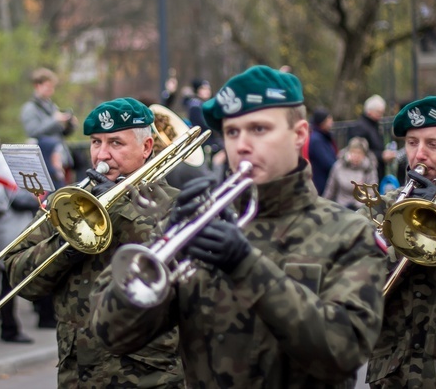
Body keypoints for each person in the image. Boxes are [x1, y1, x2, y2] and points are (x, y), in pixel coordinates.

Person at [90, 66, 387, 387]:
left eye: (258, 129)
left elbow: (345, 351)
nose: (242, 145)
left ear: (299, 134)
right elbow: (112, 334)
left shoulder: (348, 232)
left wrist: (247, 266)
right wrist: (163, 243)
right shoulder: (198, 224)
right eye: (232, 132)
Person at [5, 97, 184, 387]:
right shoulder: (72, 202)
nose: (102, 155)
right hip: (77, 376)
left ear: (146, 147)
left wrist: (118, 209)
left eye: (116, 143)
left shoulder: (175, 204)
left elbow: (179, 276)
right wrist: (71, 241)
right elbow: (20, 278)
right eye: (96, 143)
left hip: (149, 377)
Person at [360, 96, 436, 387]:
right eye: (412, 143)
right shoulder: (382, 206)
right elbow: (354, 280)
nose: (419, 154)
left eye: (434, 144)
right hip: (393, 377)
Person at [0, 145, 37, 344]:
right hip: (8, 237)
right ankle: (9, 328)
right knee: (9, 285)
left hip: (10, 234)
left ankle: (10, 326)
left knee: (9, 284)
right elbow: (19, 202)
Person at [20, 68, 77, 185]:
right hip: (44, 160)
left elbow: (61, 133)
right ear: (37, 86)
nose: (51, 90)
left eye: (52, 87)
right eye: (48, 86)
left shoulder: (51, 106)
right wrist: (54, 120)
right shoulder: (29, 108)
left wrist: (69, 124)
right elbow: (32, 132)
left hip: (60, 157)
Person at [348, 94, 396, 182]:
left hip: (376, 168)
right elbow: (359, 150)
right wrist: (381, 156)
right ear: (369, 111)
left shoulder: (375, 125)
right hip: (367, 172)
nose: (381, 116)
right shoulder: (361, 127)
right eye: (378, 112)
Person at [323, 136, 378, 209]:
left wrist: (357, 205)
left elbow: (371, 192)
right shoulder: (339, 166)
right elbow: (330, 189)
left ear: (364, 155)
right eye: (353, 152)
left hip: (361, 208)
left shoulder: (369, 168)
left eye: (359, 153)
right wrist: (323, 205)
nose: (356, 156)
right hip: (341, 207)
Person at [307, 106, 337, 194]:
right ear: (322, 122)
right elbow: (327, 162)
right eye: (329, 120)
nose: (332, 122)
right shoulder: (317, 140)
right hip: (321, 182)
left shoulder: (323, 136)